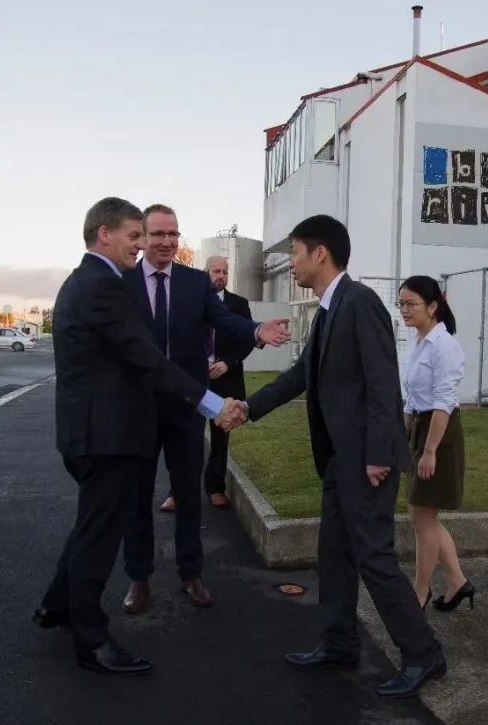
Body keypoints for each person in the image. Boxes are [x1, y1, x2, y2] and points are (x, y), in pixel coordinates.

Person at [227, 215, 446, 699]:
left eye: (297, 253)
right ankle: (340, 643)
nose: (292, 263)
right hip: (338, 461)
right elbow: (301, 375)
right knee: (336, 555)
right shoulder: (329, 309)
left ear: (320, 253)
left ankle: (423, 652)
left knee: (374, 558)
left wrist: (377, 455)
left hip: (367, 460)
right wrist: (249, 407)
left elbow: (383, 383)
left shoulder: (360, 302)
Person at [32, 197, 242, 676]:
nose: (142, 244)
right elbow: (145, 358)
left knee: (90, 526)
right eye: (134, 235)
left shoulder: (84, 280)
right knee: (98, 540)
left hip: (89, 433)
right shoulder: (105, 286)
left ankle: (56, 606)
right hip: (105, 436)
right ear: (104, 234)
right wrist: (212, 403)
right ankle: (91, 640)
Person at [120, 204, 288, 615]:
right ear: (142, 237)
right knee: (137, 497)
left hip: (186, 406)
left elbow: (225, 320)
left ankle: (191, 573)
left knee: (189, 497)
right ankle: (138, 579)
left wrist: (255, 331)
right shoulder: (121, 282)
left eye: (173, 234)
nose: (166, 241)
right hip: (138, 409)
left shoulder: (196, 284)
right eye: (158, 234)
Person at [397, 276, 474, 612]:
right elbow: (411, 399)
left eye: (411, 303)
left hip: (439, 436)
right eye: (401, 303)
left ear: (433, 306)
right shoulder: (418, 341)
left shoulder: (445, 346)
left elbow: (443, 402)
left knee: (422, 519)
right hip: (420, 431)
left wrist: (429, 451)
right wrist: (404, 440)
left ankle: (421, 591)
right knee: (421, 516)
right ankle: (457, 581)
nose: (404, 310)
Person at [202, 255, 254, 509]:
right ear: (206, 272)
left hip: (225, 378)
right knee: (184, 436)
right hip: (195, 378)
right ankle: (177, 491)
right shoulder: (193, 301)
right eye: (215, 271)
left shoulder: (239, 304)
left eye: (224, 271)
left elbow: (246, 339)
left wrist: (227, 363)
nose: (220, 276)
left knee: (220, 437)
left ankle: (215, 487)